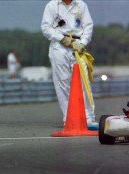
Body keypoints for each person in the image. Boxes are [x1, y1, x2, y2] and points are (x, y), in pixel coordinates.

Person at [41, 0, 97, 128]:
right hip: (59, 46)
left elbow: (88, 26)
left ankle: (89, 117)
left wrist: (83, 43)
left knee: (84, 81)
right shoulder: (52, 5)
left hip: (78, 45)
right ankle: (69, 118)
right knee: (63, 82)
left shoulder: (81, 5)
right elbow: (45, 27)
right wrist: (62, 38)